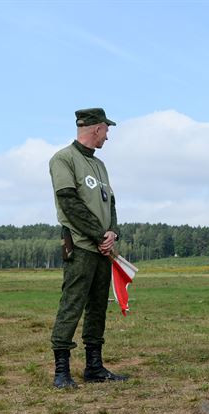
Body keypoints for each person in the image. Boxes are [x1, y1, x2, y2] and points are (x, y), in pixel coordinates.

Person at [49, 108, 128, 388]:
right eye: (107, 130)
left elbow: (111, 204)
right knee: (72, 305)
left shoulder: (101, 165)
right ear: (96, 128)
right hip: (81, 247)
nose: (108, 136)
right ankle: (62, 371)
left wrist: (113, 234)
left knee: (97, 308)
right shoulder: (63, 159)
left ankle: (94, 367)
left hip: (102, 250)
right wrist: (98, 234)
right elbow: (69, 204)